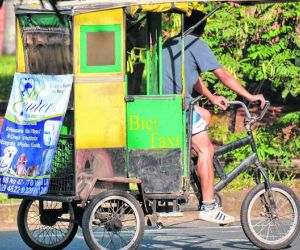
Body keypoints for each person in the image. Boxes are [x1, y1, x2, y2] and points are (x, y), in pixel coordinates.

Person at [163, 11, 265, 224]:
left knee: (206, 115)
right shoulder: (195, 44)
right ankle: (208, 206)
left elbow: (193, 75)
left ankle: (194, 167)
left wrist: (210, 96)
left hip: (167, 106)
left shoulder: (171, 43)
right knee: (207, 149)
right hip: (178, 108)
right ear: (202, 27)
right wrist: (250, 96)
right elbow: (224, 75)